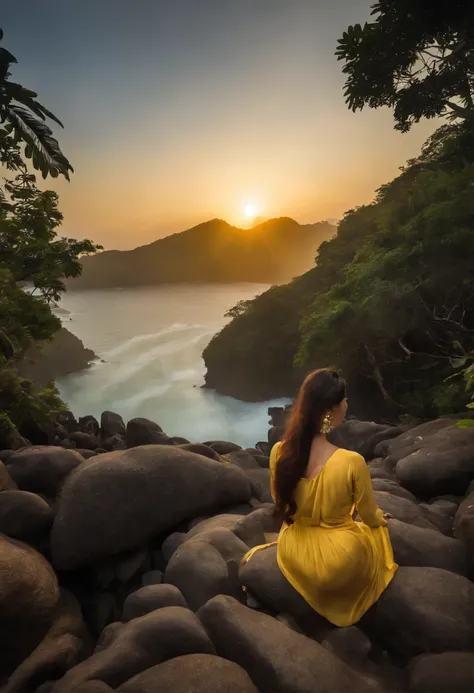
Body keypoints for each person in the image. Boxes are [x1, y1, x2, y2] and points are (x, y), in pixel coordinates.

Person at [243, 368, 398, 627]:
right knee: (376, 537)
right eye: (344, 400)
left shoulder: (280, 452)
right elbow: (370, 516)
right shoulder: (351, 461)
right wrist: (381, 519)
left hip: (295, 547)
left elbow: (279, 500)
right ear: (331, 410)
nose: (347, 405)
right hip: (340, 560)